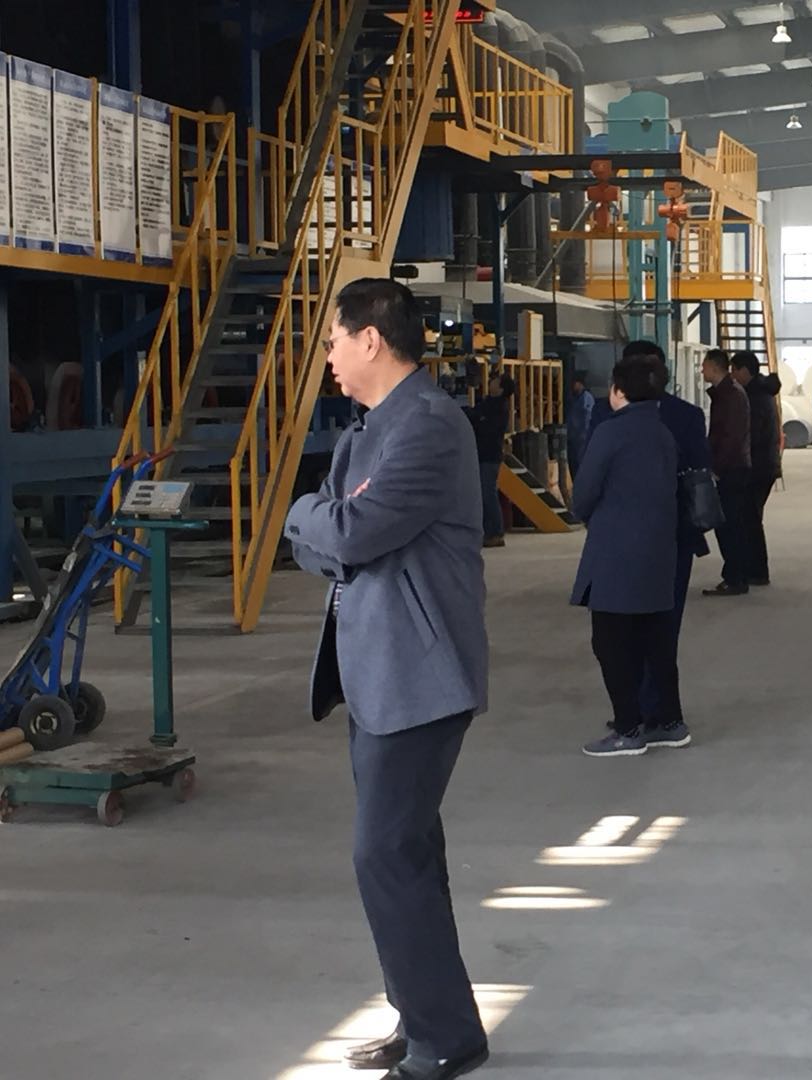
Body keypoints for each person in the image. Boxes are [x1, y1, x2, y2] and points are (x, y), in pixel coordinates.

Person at [284, 279, 490, 1080]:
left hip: (419, 675)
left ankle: (445, 1037)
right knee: (407, 856)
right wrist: (325, 521)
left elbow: (351, 530)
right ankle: (428, 1018)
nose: (328, 357)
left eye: (333, 341)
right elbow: (324, 542)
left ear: (370, 338)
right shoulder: (364, 433)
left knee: (385, 855)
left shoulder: (429, 426)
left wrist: (317, 517)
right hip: (373, 672)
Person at [591, 340, 710, 749]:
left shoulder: (608, 417)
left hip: (621, 542)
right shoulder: (687, 416)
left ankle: (633, 718)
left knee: (617, 633)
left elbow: (586, 476)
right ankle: (661, 715)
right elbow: (701, 472)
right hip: (674, 538)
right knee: (662, 629)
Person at [570, 353, 681, 757]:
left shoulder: (611, 433)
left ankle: (628, 728)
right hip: (659, 550)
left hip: (616, 553)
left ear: (618, 391)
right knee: (655, 640)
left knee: (611, 642)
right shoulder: (663, 432)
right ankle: (669, 722)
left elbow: (584, 493)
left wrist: (588, 514)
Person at [701, 348, 752, 597]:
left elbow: (731, 436)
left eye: (704, 366)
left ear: (714, 366)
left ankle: (735, 578)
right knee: (731, 525)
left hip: (731, 469)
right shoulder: (727, 393)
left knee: (729, 525)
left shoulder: (730, 395)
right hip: (733, 467)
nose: (701, 370)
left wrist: (717, 468)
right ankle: (736, 575)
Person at [730, 350, 780, 586]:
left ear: (744, 371)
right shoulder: (759, 391)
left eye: (734, 370)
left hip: (758, 466)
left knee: (749, 519)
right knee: (750, 518)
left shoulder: (755, 396)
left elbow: (753, 434)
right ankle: (754, 568)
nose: (732, 375)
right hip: (764, 464)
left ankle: (757, 570)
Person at [466, 366, 515, 549]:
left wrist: (478, 419)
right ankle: (489, 531)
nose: (491, 381)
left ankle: (495, 532)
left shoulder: (498, 407)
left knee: (488, 494)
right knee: (484, 494)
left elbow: (483, 423)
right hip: (483, 453)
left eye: (495, 381)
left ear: (500, 389)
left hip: (489, 455)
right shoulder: (489, 403)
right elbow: (476, 415)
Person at [567, 374, 595, 480]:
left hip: (581, 436)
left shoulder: (586, 398)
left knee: (580, 461)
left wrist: (584, 433)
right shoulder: (575, 398)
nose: (573, 386)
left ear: (580, 384)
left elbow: (587, 417)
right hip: (574, 436)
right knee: (574, 462)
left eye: (575, 384)